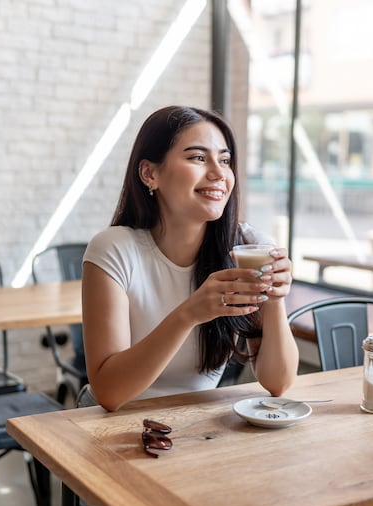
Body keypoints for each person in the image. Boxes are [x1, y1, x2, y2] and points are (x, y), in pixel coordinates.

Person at [81, 106, 299, 411]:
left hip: (192, 423)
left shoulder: (248, 246)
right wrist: (189, 314)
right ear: (150, 174)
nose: (218, 173)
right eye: (198, 158)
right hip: (109, 423)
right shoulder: (113, 249)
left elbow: (279, 383)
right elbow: (108, 392)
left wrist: (274, 298)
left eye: (224, 160)